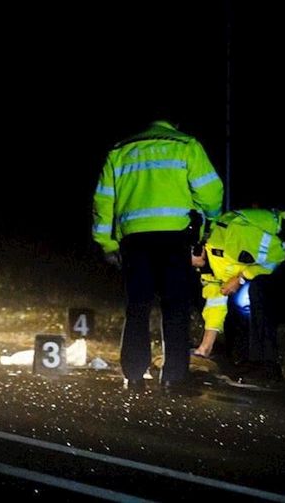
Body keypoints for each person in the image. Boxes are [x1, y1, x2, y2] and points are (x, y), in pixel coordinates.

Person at [92, 119, 223, 393]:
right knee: (175, 307)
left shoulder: (121, 150)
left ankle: (134, 375)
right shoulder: (186, 145)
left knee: (137, 308)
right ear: (174, 122)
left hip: (134, 239)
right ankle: (173, 377)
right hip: (174, 238)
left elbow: (104, 200)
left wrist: (106, 243)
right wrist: (208, 224)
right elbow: (211, 192)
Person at [190, 207, 285, 382]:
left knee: (256, 292)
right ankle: (248, 361)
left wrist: (241, 278)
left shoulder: (231, 236)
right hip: (254, 273)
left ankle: (268, 365)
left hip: (280, 262)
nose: (193, 266)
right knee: (236, 303)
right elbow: (215, 303)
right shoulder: (208, 264)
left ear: (197, 247)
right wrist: (204, 349)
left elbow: (277, 255)